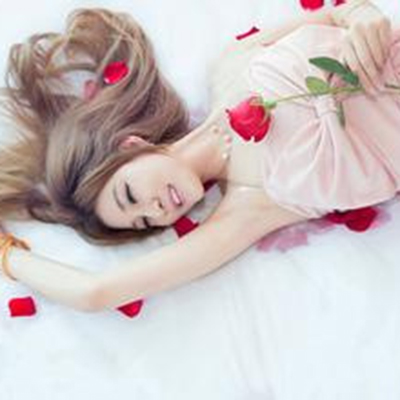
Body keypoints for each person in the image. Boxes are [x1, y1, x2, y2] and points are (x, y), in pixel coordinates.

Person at [0, 1, 395, 312]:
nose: (155, 210)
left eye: (130, 195)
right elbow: (96, 292)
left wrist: (362, 14)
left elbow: (338, 13)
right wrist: (7, 255)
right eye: (144, 221)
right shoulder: (249, 208)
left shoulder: (231, 66)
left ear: (131, 146)